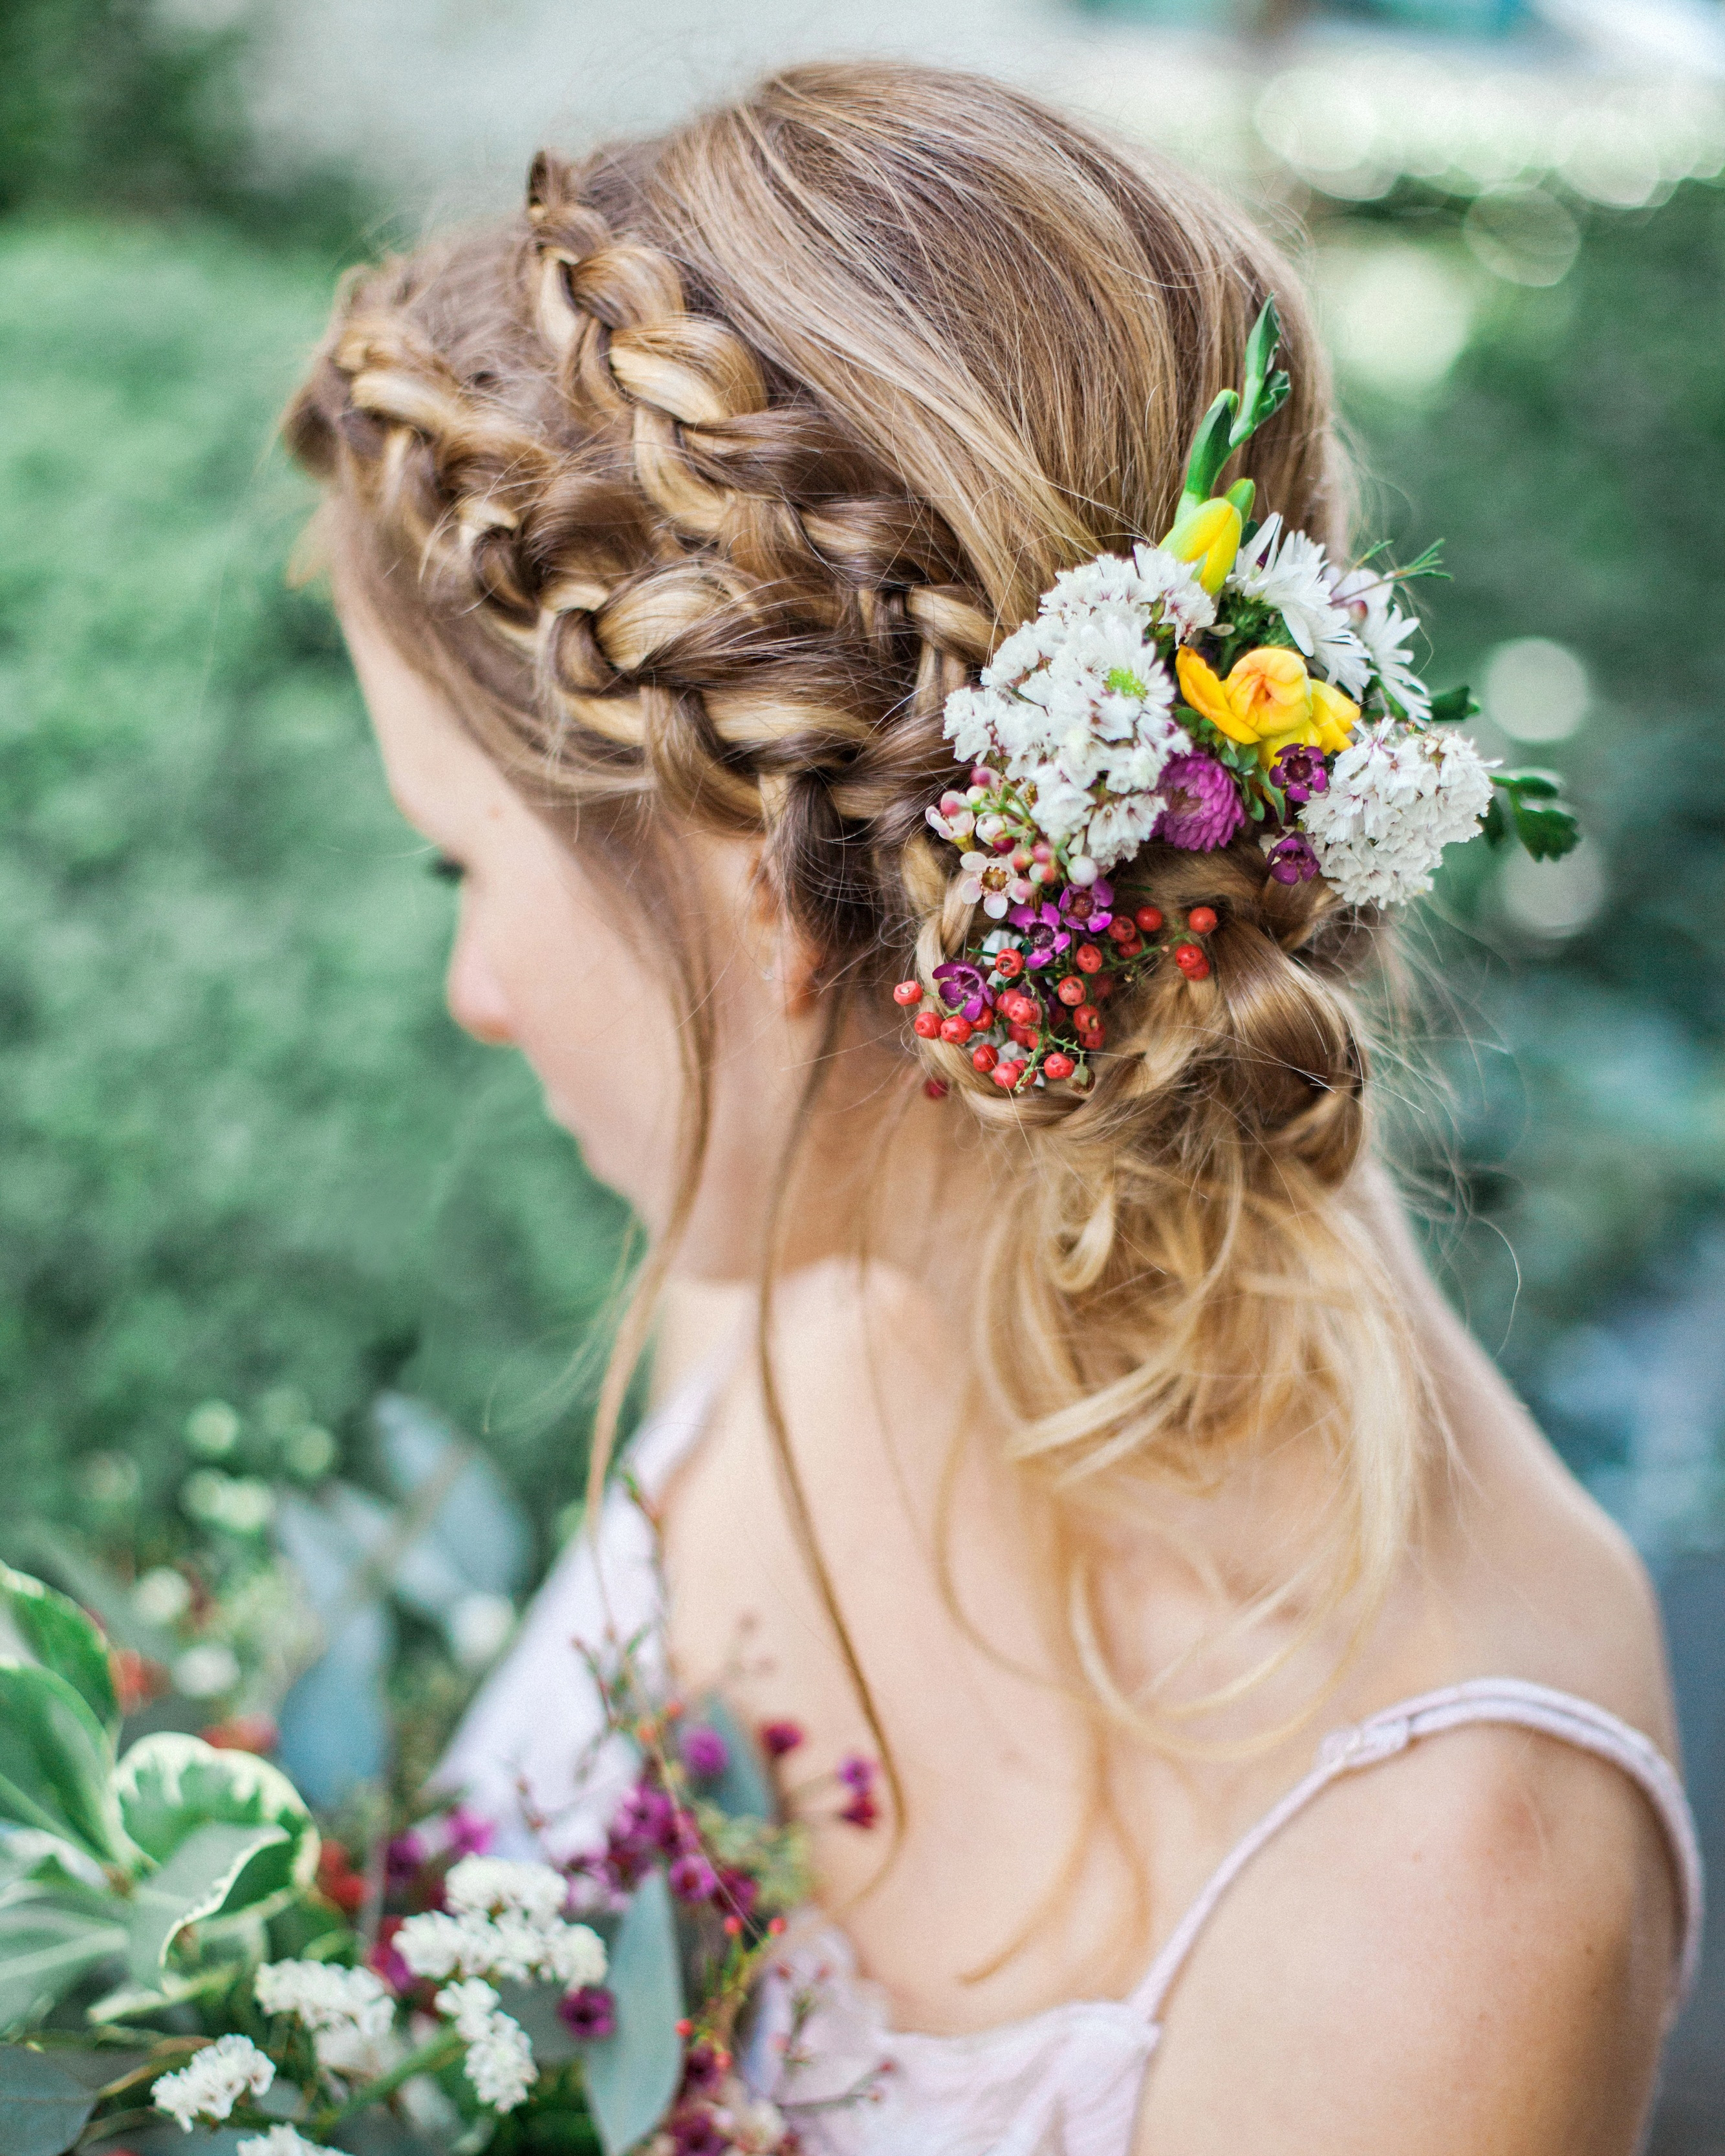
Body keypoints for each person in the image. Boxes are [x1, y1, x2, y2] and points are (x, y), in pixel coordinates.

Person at [286, 62, 1698, 2154]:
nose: (468, 994)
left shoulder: (1444, 1886)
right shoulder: (820, 1202)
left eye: (456, 867)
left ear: (753, 888)